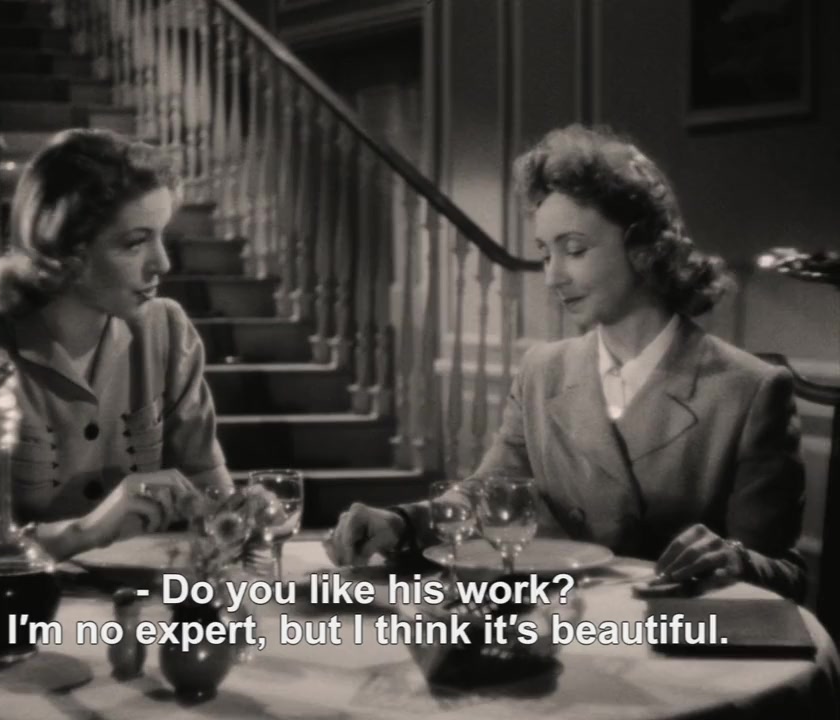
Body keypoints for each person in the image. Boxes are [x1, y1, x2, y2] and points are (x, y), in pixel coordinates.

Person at [325, 124, 806, 601]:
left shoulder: (750, 389)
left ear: (643, 245)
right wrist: (401, 524)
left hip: (680, 638)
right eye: (544, 252)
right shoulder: (542, 371)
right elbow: (484, 496)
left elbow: (785, 574)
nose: (553, 276)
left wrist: (734, 561)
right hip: (559, 629)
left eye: (574, 249)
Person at [0, 128, 233, 587]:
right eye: (135, 242)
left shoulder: (167, 331)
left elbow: (214, 497)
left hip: (139, 607)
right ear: (65, 252)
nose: (162, 263)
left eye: (161, 237)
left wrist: (244, 515)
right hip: (11, 610)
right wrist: (81, 533)